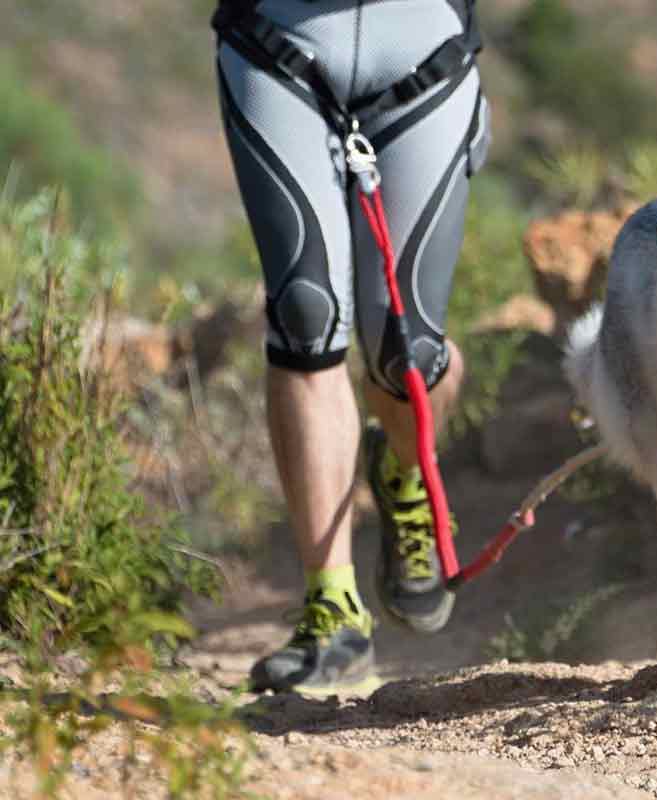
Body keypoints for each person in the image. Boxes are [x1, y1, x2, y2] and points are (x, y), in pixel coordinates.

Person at [212, 0, 489, 693]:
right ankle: (333, 610)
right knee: (306, 316)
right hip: (277, 39)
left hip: (425, 48)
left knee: (409, 353)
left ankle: (403, 474)